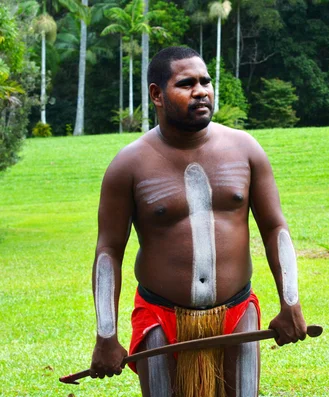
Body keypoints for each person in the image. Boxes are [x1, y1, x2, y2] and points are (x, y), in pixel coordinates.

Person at [89, 46, 307, 397]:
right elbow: (109, 252)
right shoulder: (129, 165)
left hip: (236, 315)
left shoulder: (246, 149)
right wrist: (106, 336)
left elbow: (274, 228)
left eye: (205, 81)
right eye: (187, 83)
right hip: (160, 319)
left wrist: (291, 302)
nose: (202, 90)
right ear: (157, 95)